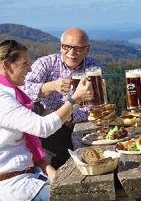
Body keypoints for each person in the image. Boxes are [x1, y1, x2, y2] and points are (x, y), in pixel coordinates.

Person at [0, 39, 93, 200]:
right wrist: (74, 100)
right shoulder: (3, 98)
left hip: (32, 175)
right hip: (16, 186)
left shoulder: (12, 93)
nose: (30, 69)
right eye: (25, 64)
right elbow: (43, 128)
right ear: (7, 65)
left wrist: (49, 170)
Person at [23, 27, 102, 169]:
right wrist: (50, 86)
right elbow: (23, 90)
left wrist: (68, 116)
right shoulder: (46, 63)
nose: (71, 53)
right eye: (67, 47)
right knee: (57, 169)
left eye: (78, 48)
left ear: (87, 50)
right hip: (50, 132)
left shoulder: (93, 67)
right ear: (61, 47)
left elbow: (95, 106)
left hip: (81, 128)